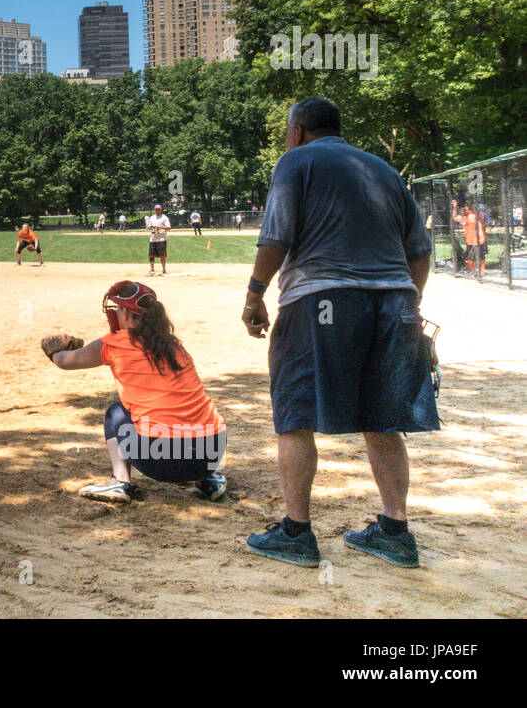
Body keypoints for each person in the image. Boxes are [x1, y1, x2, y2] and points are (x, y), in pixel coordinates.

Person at [241, 97, 437, 569]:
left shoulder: (296, 160)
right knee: (383, 418)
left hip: (320, 300)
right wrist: (409, 302)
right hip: (392, 302)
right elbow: (420, 251)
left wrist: (254, 295)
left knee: (295, 412)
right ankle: (394, 532)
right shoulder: (383, 170)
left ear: (299, 130)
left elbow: (277, 237)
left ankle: (297, 532)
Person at [43, 281, 227, 503]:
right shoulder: (175, 346)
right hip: (211, 453)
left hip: (161, 460)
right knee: (186, 409)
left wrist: (54, 348)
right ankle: (207, 480)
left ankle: (120, 482)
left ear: (126, 314)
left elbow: (64, 362)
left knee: (116, 413)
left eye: (118, 309)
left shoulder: (114, 344)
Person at [459, 205, 486, 276]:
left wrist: (474, 212)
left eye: (466, 210)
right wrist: (455, 207)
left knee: (479, 257)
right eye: (464, 210)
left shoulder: (471, 216)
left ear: (470, 211)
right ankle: (476, 271)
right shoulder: (466, 218)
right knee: (471, 258)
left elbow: (472, 220)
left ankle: (481, 272)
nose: (465, 212)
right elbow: (456, 218)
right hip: (471, 241)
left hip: (477, 240)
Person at [146, 204, 170, 275]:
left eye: (158, 209)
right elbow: (148, 227)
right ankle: (152, 270)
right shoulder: (152, 218)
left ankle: (164, 270)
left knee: (162, 256)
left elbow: (168, 227)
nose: (157, 210)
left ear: (161, 210)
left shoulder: (164, 217)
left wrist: (159, 227)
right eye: (156, 209)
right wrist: (151, 227)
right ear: (154, 210)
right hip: (153, 238)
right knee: (151, 255)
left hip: (161, 239)